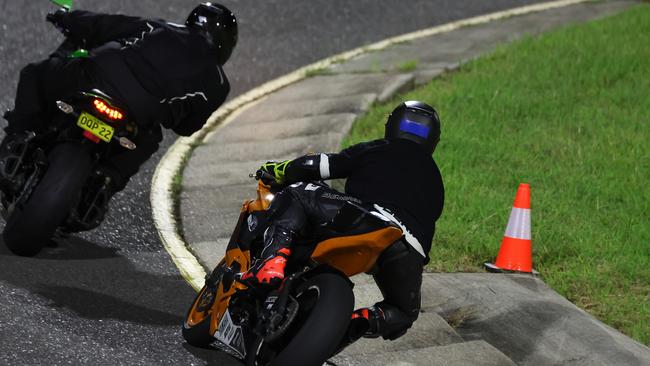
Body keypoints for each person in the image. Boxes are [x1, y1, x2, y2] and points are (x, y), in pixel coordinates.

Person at [243, 100, 445, 344]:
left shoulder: (379, 148)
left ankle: (272, 262)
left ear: (391, 124)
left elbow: (317, 165)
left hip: (365, 216)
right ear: (434, 139)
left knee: (297, 192)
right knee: (402, 313)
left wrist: (279, 170)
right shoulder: (436, 181)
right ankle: (351, 325)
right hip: (408, 249)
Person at [0, 3, 237, 193]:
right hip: (137, 114)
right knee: (150, 139)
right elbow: (186, 127)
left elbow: (104, 25)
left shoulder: (163, 28)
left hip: (94, 80)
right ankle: (103, 185)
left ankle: (16, 138)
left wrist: (67, 18)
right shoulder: (219, 85)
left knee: (34, 73)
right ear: (226, 44)